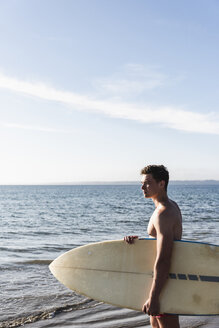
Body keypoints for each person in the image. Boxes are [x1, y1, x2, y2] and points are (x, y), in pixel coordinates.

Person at [124, 165, 182, 328]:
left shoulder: (164, 213)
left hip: (164, 286)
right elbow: (160, 243)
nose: (142, 187)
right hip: (161, 282)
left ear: (161, 184)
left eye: (147, 183)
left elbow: (164, 258)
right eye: (142, 183)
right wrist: (141, 242)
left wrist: (154, 296)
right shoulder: (168, 207)